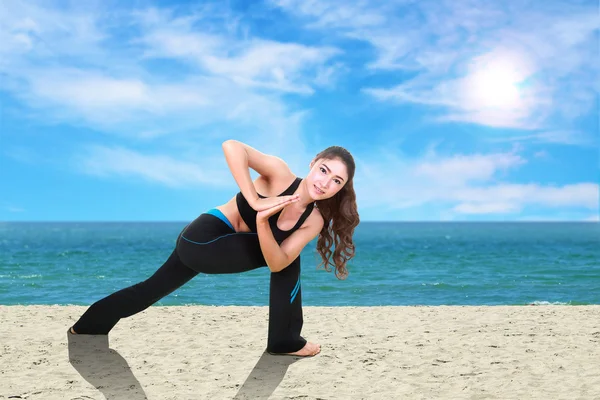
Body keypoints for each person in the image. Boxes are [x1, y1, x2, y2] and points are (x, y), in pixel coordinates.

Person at [68, 139, 359, 357]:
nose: (325, 183)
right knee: (287, 260)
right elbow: (232, 146)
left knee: (149, 290)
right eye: (324, 170)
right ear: (313, 163)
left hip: (219, 252)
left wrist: (261, 223)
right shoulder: (279, 174)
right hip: (202, 239)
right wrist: (256, 201)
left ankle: (86, 327)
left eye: (336, 181)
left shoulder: (314, 220)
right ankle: (285, 340)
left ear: (340, 189)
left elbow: (277, 263)